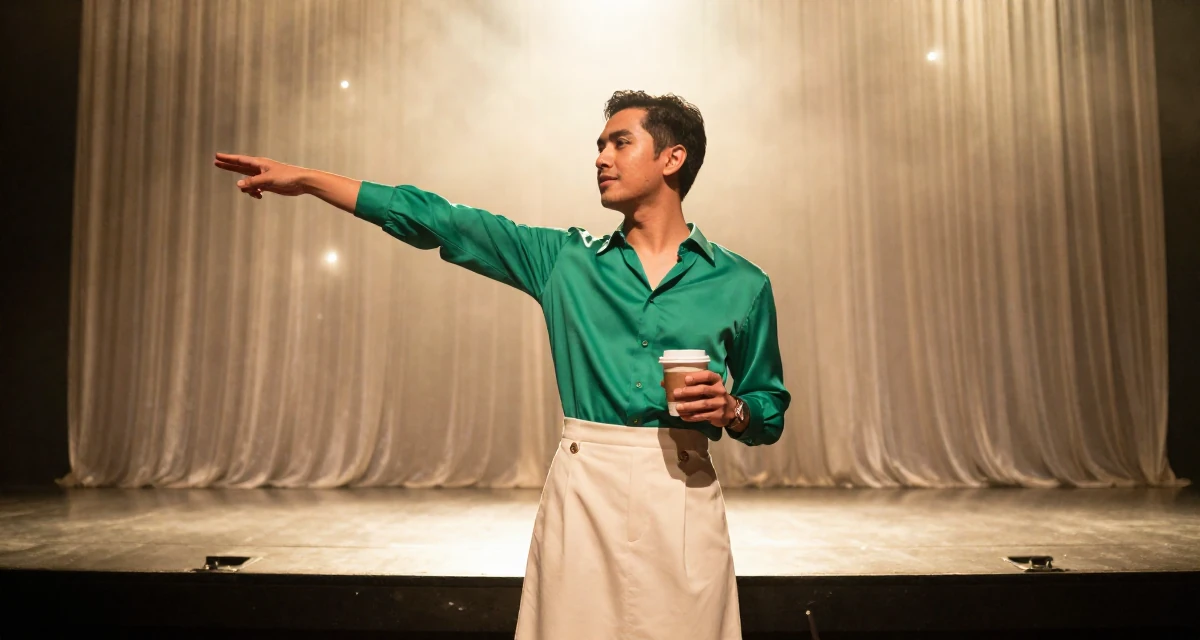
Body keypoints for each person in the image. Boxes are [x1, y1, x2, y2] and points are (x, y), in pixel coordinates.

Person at [215, 90, 790, 640]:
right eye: (600, 145)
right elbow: (442, 220)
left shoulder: (741, 283)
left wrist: (734, 409)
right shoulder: (564, 261)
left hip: (684, 493)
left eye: (619, 143)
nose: (600, 158)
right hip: (585, 487)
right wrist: (312, 180)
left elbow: (769, 409)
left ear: (672, 158)